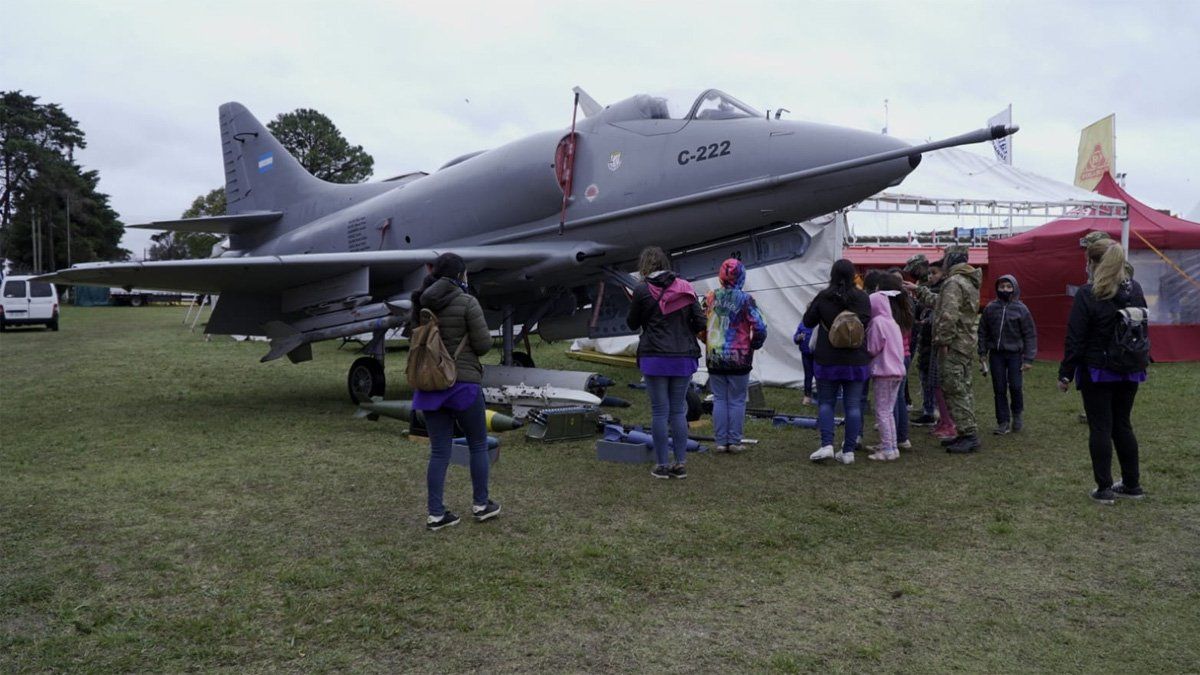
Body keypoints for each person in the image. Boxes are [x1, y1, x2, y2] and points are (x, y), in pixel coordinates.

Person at [410, 253, 499, 531]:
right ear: (460, 275)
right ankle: (481, 505)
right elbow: (483, 345)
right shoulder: (467, 302)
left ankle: (436, 514)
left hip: (430, 385)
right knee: (477, 444)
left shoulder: (421, 302)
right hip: (463, 384)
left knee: (439, 452)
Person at [1058, 239, 1148, 504]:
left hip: (1098, 370)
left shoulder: (1089, 294)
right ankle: (1132, 484)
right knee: (1123, 424)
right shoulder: (1135, 289)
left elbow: (1075, 338)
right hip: (1129, 368)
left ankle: (1104, 488)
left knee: (1100, 427)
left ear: (1093, 263)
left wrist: (1066, 372)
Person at [627, 246, 706, 479]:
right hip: (682, 356)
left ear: (644, 266)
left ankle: (662, 465)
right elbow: (701, 322)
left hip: (654, 357)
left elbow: (632, 323)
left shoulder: (641, 290)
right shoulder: (685, 286)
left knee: (660, 412)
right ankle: (680, 463)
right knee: (678, 411)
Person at [914, 245, 982, 453]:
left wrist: (943, 341)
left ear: (951, 259)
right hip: (965, 343)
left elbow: (948, 315)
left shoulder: (953, 282)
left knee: (954, 388)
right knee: (963, 386)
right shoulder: (968, 281)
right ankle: (964, 431)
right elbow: (943, 303)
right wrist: (919, 290)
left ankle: (968, 435)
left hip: (953, 344)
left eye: (945, 258)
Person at [803, 259, 871, 465]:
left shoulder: (824, 296)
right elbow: (867, 321)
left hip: (827, 358)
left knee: (826, 402)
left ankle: (827, 445)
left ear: (832, 275)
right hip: (856, 359)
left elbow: (808, 322)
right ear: (853, 275)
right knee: (853, 406)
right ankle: (848, 451)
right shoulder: (862, 297)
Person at [704, 258, 768, 453]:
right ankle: (734, 440)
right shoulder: (745, 300)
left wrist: (707, 343)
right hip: (739, 356)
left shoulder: (711, 297)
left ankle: (720, 441)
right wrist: (754, 344)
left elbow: (700, 324)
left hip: (715, 356)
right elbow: (760, 326)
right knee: (737, 399)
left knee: (719, 399)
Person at [977, 274, 1037, 434]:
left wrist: (1029, 358)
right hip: (996, 354)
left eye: (1008, 287)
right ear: (997, 288)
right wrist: (982, 353)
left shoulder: (1022, 309)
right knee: (999, 388)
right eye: (1002, 286)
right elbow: (982, 331)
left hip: (1015, 354)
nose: (1005, 289)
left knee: (1016, 386)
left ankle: (1017, 413)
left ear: (1014, 288)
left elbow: (1030, 335)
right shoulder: (990, 308)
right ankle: (1002, 421)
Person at [865, 290, 905, 461]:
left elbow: (873, 348)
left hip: (884, 371)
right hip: (897, 371)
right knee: (888, 411)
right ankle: (892, 446)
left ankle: (888, 449)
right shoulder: (892, 322)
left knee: (882, 411)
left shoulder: (877, 322)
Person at [792, 315, 815, 406]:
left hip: (818, 355)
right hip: (805, 354)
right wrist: (798, 337)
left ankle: (821, 395)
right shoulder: (802, 325)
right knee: (808, 375)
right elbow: (795, 338)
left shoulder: (819, 325)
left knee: (819, 375)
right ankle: (807, 396)